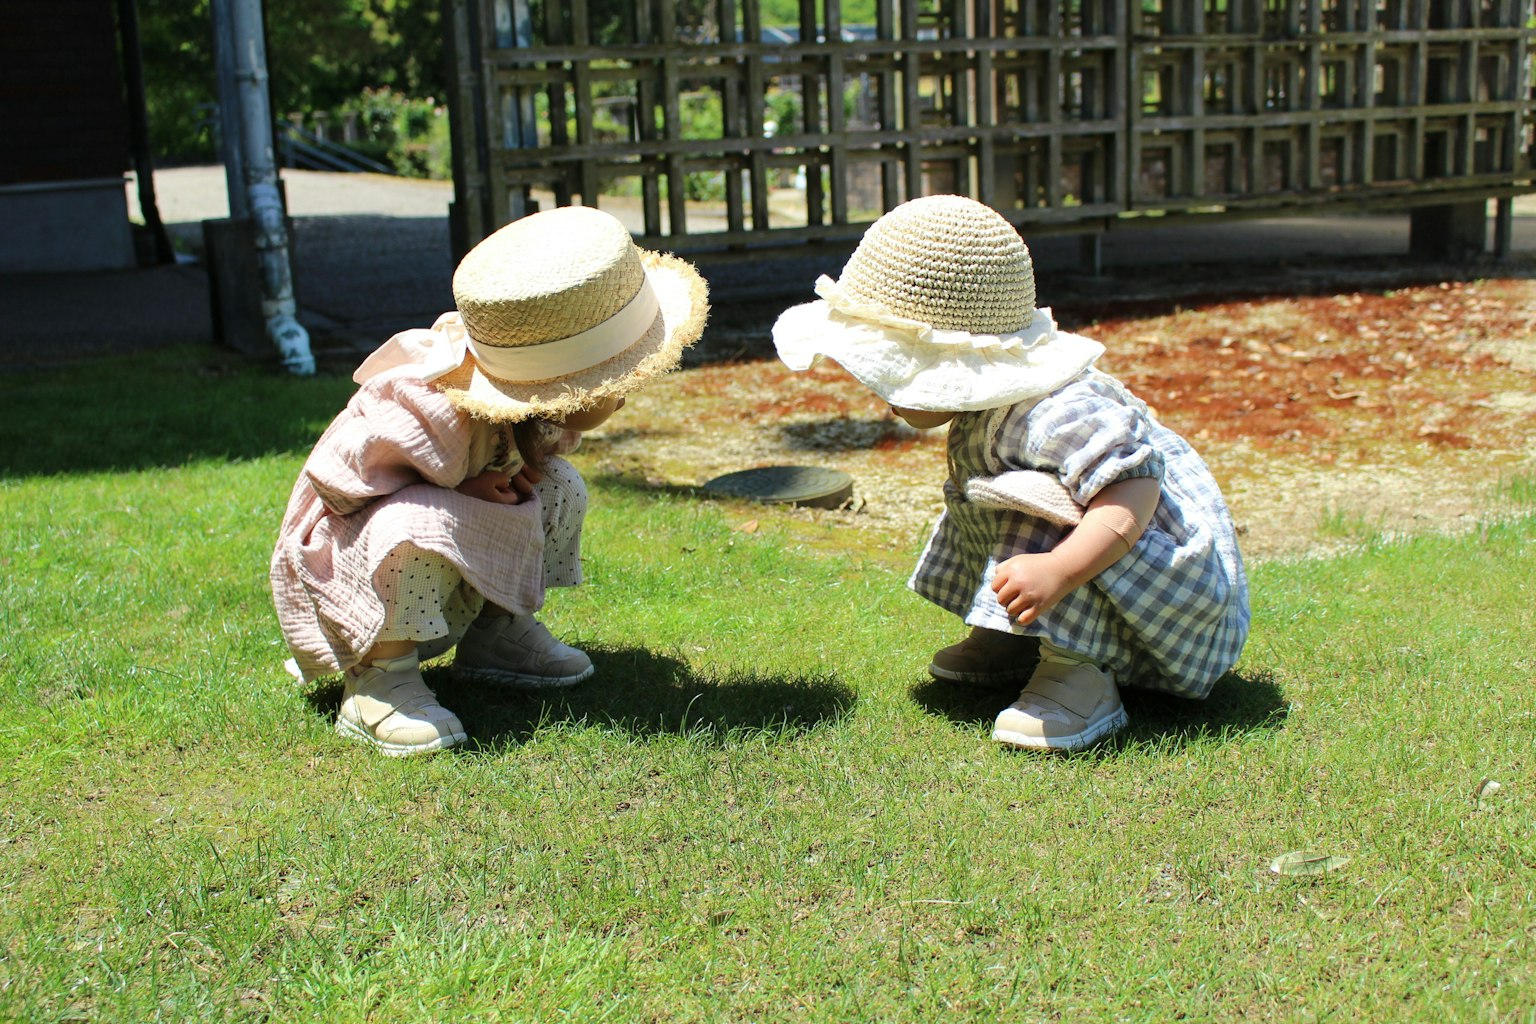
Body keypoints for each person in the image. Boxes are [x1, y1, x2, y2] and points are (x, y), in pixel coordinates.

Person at [772, 195, 1249, 751]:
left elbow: (1134, 488)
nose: (877, 390)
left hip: (1163, 576)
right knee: (993, 493)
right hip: (1102, 561)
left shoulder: (1054, 413)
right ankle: (1017, 637)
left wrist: (1061, 569)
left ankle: (1080, 674)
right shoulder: (993, 406)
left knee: (1030, 497)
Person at [271, 206, 709, 756]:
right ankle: (380, 679)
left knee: (558, 487)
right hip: (351, 555)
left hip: (437, 536)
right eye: (615, 379)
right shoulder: (427, 407)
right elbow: (339, 489)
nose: (625, 391)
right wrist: (456, 492)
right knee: (412, 524)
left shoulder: (529, 417)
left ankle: (496, 635)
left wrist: (498, 475)